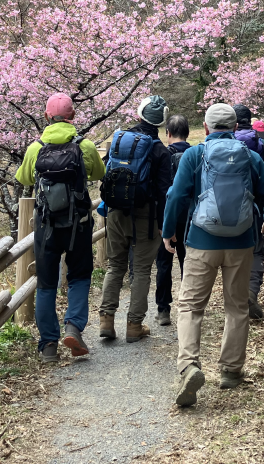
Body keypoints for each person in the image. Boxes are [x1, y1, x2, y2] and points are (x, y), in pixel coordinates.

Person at [162, 103, 264, 407]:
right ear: (234, 127)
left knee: (191, 305)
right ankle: (230, 370)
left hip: (202, 241)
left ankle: (189, 366)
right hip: (241, 243)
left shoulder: (194, 155)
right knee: (237, 306)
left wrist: (168, 230)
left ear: (205, 127)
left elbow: (176, 195)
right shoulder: (251, 156)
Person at [15, 93, 105, 363]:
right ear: (72, 116)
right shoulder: (84, 145)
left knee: (46, 284)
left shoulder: (36, 148)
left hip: (47, 226)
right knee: (79, 276)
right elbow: (99, 173)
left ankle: (48, 346)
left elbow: (24, 178)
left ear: (46, 116)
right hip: (79, 224)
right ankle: (74, 327)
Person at [98, 95, 175, 342]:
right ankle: (134, 326)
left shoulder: (119, 140)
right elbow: (164, 192)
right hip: (147, 217)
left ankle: (106, 320)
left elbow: (106, 174)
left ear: (139, 115)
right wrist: (165, 226)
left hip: (116, 212)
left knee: (115, 266)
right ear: (161, 123)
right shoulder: (160, 151)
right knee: (141, 270)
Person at [232, 104, 264, 321]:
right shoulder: (261, 145)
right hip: (256, 209)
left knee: (232, 254)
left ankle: (235, 297)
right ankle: (250, 293)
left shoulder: (225, 144)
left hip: (228, 208)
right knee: (256, 252)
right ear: (250, 120)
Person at [154, 114, 191, 326]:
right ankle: (188, 308)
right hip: (190, 219)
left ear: (167, 133)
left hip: (165, 218)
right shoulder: (196, 155)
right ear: (187, 133)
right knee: (188, 264)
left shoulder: (163, 155)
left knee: (163, 264)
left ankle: (163, 310)